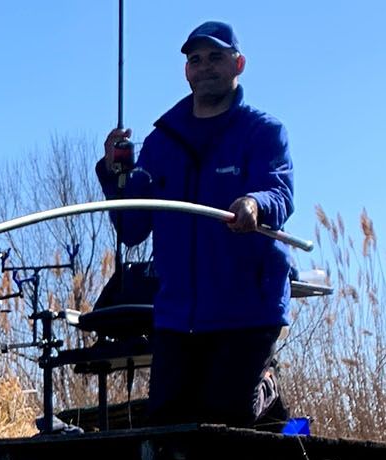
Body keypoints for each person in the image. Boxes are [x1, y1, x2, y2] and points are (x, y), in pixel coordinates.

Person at [96, 19, 294, 427]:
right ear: (186, 70)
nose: (205, 67)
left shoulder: (263, 132)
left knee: (228, 414)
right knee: (169, 421)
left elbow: (279, 192)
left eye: (216, 58)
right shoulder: (161, 143)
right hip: (178, 312)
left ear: (238, 64)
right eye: (195, 59)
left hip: (248, 306)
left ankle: (265, 388)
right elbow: (132, 228)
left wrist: (254, 204)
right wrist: (114, 177)